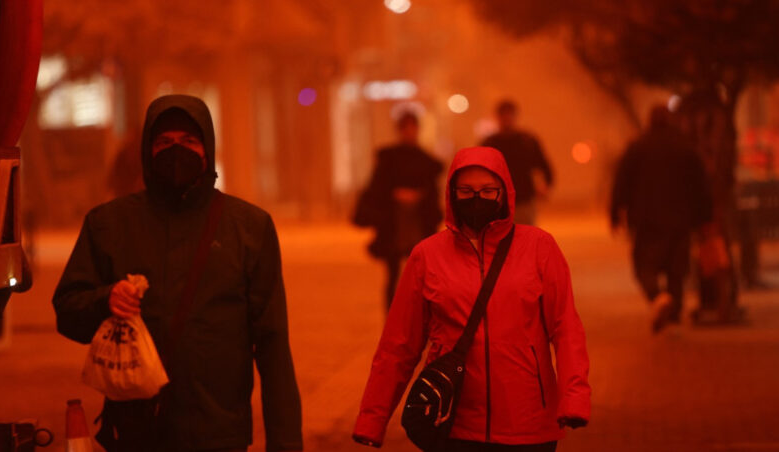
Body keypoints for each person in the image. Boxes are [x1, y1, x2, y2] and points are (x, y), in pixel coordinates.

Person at [52, 95, 303, 452]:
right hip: (134, 433)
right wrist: (105, 299)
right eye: (164, 142)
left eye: (188, 141)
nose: (176, 151)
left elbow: (272, 343)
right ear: (147, 151)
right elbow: (67, 311)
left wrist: (286, 443)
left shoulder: (248, 227)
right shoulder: (109, 223)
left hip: (217, 432)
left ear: (207, 149)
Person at [353, 146, 590, 451]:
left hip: (529, 424)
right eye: (466, 191)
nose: (477, 198)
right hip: (452, 422)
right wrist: (372, 419)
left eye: (488, 190)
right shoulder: (427, 256)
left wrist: (574, 398)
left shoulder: (539, 248)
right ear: (451, 194)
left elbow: (566, 328)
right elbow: (399, 345)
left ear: (504, 193)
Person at [610, 105, 712, 333]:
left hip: (646, 220)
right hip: (681, 219)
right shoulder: (685, 148)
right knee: (677, 268)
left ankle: (657, 297)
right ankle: (674, 313)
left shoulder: (637, 147)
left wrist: (616, 213)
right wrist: (705, 217)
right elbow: (701, 185)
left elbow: (621, 182)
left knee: (644, 266)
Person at [353, 111, 443, 310]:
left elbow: (431, 191)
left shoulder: (426, 161)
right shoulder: (389, 159)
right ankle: (392, 316)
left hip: (418, 223)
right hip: (394, 224)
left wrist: (418, 196)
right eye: (406, 128)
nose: (409, 132)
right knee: (393, 273)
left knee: (420, 273)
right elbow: (378, 188)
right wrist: (395, 195)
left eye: (413, 127)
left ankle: (418, 316)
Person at [480, 100, 553, 225]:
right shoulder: (489, 143)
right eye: (503, 115)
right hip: (498, 202)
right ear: (497, 117)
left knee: (525, 234)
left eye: (509, 114)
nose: (506, 118)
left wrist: (546, 185)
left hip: (524, 199)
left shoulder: (527, 141)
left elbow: (544, 165)